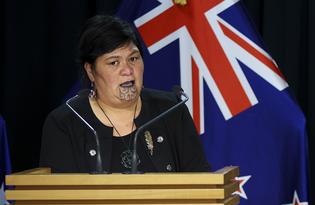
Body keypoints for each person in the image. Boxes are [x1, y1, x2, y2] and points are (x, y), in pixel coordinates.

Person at [40, 15, 210, 173]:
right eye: (114, 62)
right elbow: (59, 200)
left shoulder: (171, 110)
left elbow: (202, 184)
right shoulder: (66, 123)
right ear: (90, 71)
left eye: (133, 59)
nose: (128, 70)